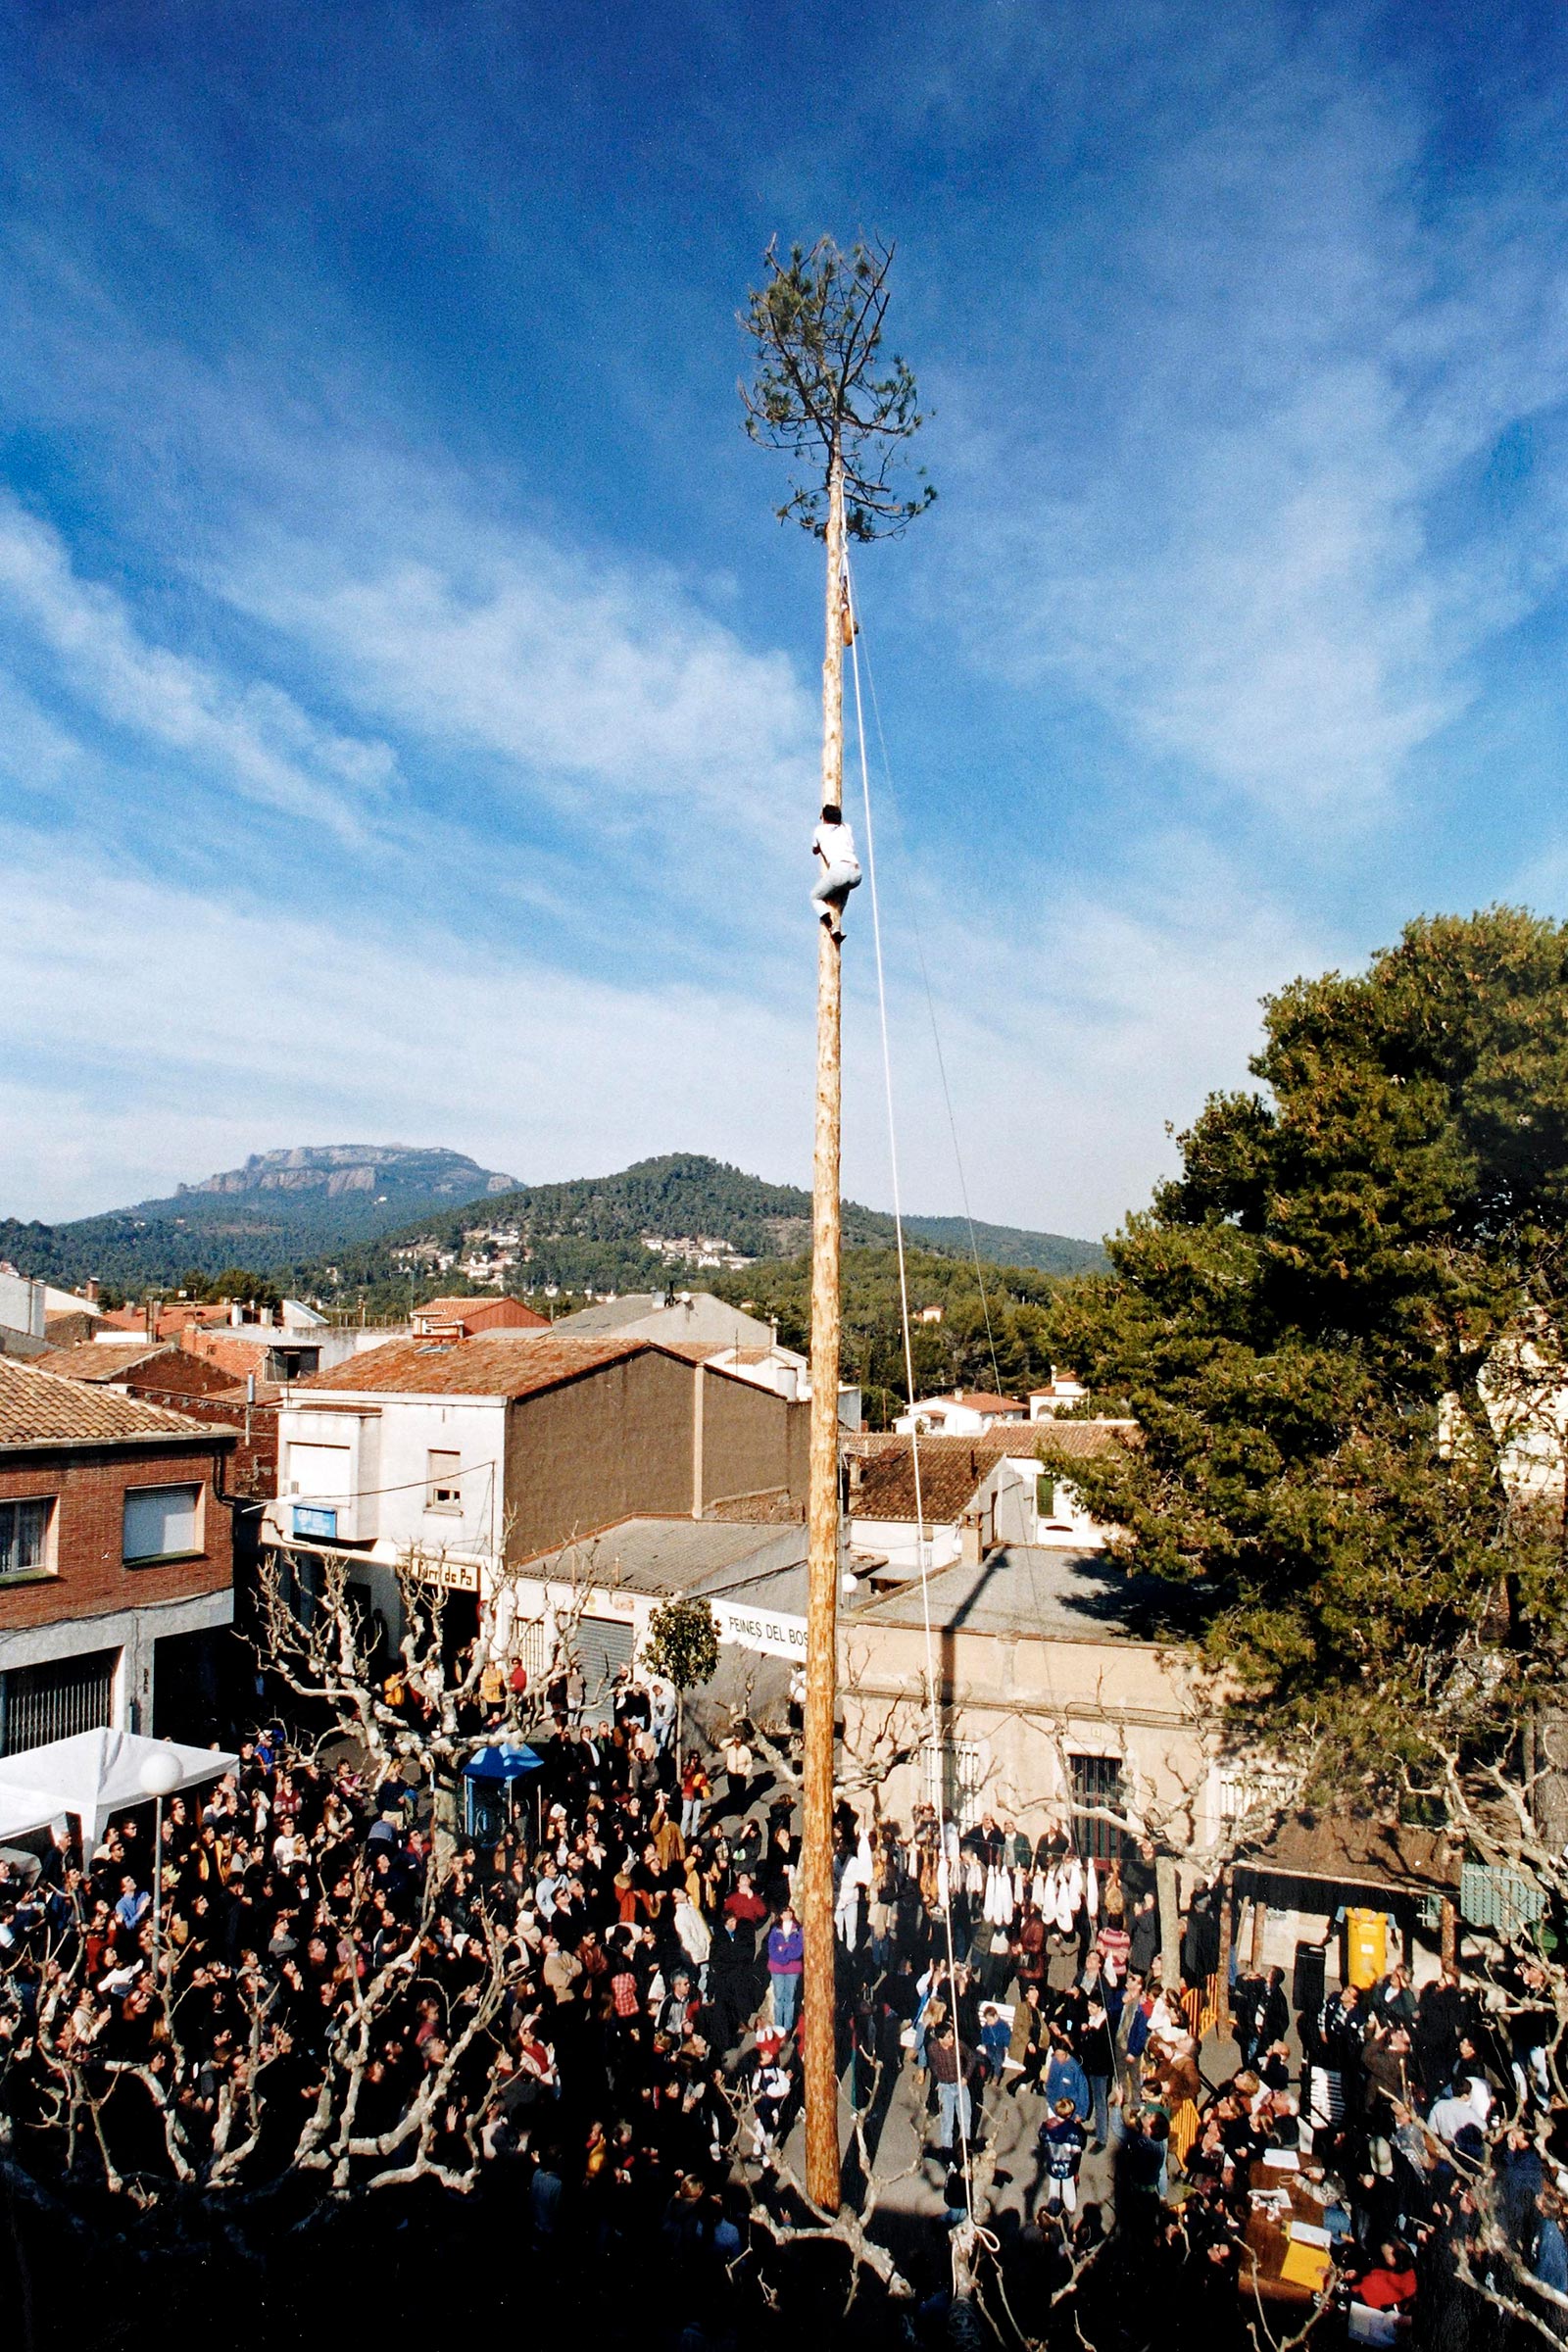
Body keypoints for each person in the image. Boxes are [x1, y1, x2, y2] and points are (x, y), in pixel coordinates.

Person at [809, 803, 861, 940]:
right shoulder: (846, 828)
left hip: (839, 870)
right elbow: (841, 823)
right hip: (856, 872)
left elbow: (815, 850)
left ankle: (832, 926)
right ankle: (837, 928)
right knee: (841, 894)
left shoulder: (819, 830)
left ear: (824, 817)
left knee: (815, 897)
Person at [1041, 2095, 1088, 2217]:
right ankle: (1070, 2206)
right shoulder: (1074, 2130)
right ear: (1069, 2114)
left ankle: (1053, 2206)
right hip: (1068, 2164)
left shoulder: (1046, 2127)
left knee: (1054, 2185)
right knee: (1068, 2185)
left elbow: (1043, 2142)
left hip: (1052, 2162)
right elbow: (1078, 2149)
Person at [766, 1904, 804, 2035]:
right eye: (784, 1912)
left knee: (790, 1998)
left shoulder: (798, 1929)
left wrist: (784, 1950)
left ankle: (787, 2027)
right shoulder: (775, 1929)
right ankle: (778, 2026)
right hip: (777, 1968)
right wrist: (783, 1956)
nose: (787, 1914)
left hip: (792, 1969)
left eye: (789, 1912)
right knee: (779, 1997)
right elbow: (772, 1948)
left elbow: (799, 1949)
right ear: (780, 1915)